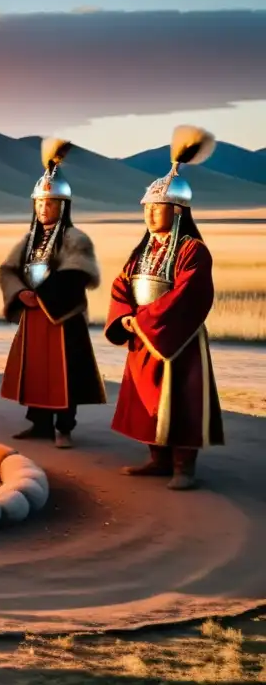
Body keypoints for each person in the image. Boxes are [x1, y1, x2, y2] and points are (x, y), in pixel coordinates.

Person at [105, 125, 224, 490]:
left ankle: (183, 467)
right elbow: (123, 283)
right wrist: (125, 316)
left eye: (158, 207)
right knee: (148, 400)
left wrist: (147, 320)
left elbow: (191, 293)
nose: (151, 214)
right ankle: (157, 459)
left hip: (179, 338)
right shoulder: (142, 249)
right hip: (143, 333)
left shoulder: (192, 250)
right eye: (147, 207)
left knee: (182, 400)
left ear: (178, 210)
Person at [0, 138, 106, 448]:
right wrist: (20, 293)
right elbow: (8, 269)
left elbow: (75, 273)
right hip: (33, 316)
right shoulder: (28, 239)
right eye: (40, 202)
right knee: (36, 372)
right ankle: (40, 425)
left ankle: (64, 428)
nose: (45, 208)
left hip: (61, 317)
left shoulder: (75, 237)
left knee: (64, 373)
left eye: (51, 202)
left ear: (63, 205)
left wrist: (41, 296)